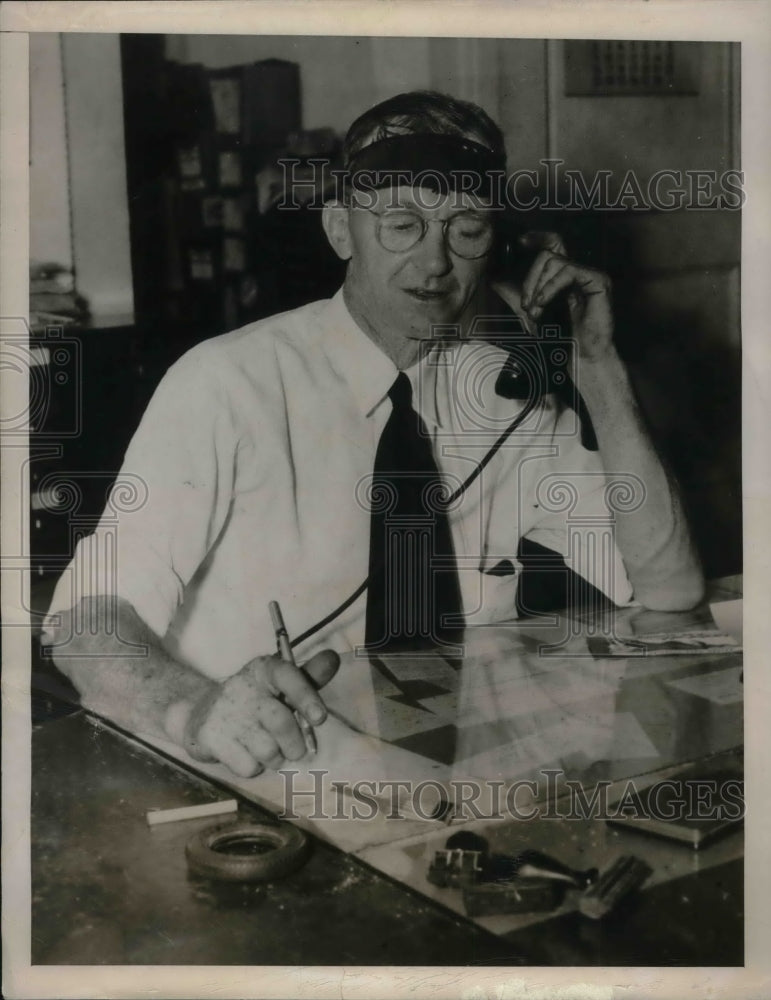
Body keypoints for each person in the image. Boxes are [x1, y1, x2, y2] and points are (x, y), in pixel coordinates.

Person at [43, 90, 704, 779]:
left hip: (447, 794)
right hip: (253, 785)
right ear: (340, 230)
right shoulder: (226, 384)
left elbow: (668, 590)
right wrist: (199, 713)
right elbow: (84, 625)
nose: (435, 262)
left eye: (466, 228)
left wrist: (597, 366)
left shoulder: (509, 401)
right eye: (401, 224)